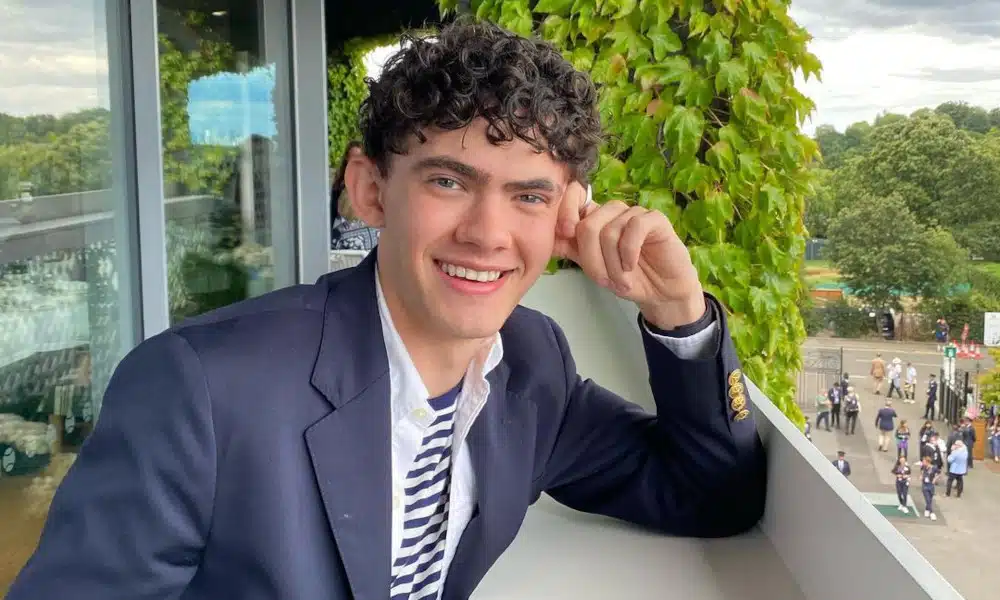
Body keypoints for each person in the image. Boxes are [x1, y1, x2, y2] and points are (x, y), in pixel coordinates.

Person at [5, 20, 767, 600]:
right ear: (370, 190)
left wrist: (678, 310)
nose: (488, 234)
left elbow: (708, 494)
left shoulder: (532, 368)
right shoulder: (199, 390)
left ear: (569, 213)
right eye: (448, 182)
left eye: (529, 196)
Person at [330, 141, 381, 251]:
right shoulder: (338, 187)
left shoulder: (373, 183)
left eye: (358, 157)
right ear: (347, 159)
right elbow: (332, 214)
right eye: (352, 157)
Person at [920, 455, 940, 521]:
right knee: (927, 499)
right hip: (925, 485)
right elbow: (921, 472)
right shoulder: (923, 467)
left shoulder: (934, 468)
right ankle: (932, 513)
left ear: (927, 462)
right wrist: (921, 476)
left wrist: (935, 479)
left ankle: (927, 509)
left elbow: (938, 473)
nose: (923, 463)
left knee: (930, 499)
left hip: (931, 485)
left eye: (924, 461)